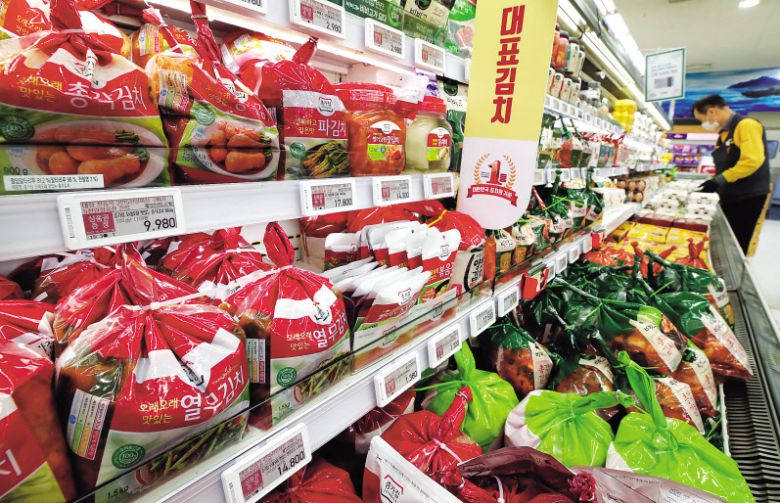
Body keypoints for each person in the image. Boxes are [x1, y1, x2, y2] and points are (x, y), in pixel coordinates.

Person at [692, 94, 770, 254]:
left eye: (702, 120)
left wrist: (719, 180)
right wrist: (714, 181)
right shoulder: (723, 135)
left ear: (711, 111)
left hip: (746, 196)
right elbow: (726, 164)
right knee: (725, 237)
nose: (703, 124)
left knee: (736, 241)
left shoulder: (747, 125)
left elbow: (752, 161)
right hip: (730, 195)